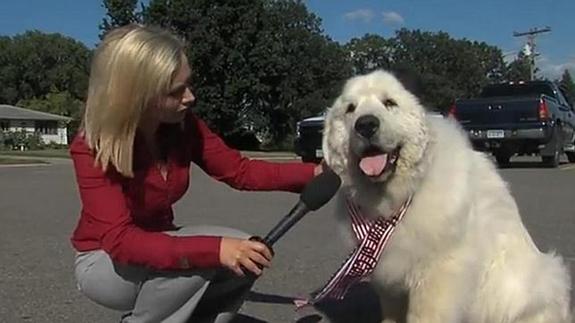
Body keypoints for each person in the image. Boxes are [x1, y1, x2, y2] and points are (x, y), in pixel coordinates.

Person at [70, 24, 322, 323]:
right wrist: (215, 251)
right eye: (175, 91)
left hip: (158, 243)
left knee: (246, 252)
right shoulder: (93, 147)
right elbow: (122, 241)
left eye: (189, 84)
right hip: (105, 263)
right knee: (205, 258)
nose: (190, 97)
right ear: (137, 96)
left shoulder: (183, 126)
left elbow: (240, 171)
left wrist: (315, 173)